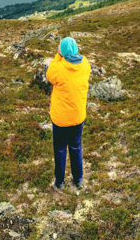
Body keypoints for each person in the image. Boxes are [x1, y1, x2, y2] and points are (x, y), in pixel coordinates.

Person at [45, 36, 91, 192]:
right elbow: (79, 62)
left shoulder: (58, 67)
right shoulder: (85, 64)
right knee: (76, 147)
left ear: (62, 51)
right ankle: (78, 180)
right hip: (78, 117)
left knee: (60, 149)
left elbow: (49, 74)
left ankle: (60, 182)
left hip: (60, 119)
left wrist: (58, 55)